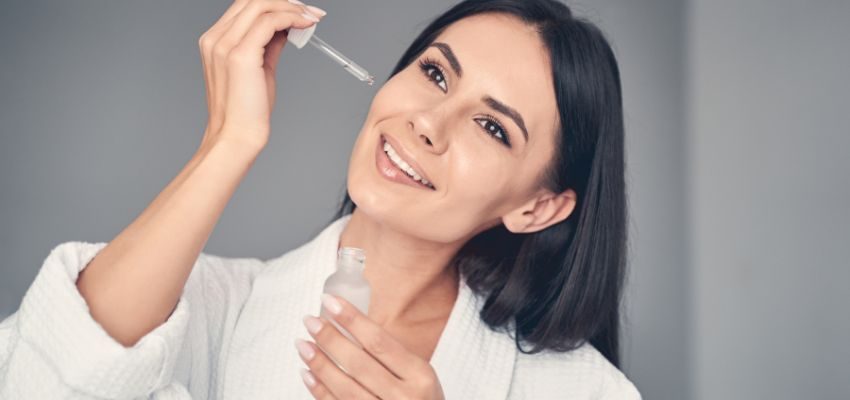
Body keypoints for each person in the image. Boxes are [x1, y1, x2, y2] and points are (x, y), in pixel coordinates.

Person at [0, 0, 640, 398]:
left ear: (537, 207)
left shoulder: (581, 391)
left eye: (493, 127)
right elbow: (36, 383)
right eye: (435, 73)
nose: (429, 122)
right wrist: (229, 141)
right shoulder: (205, 313)